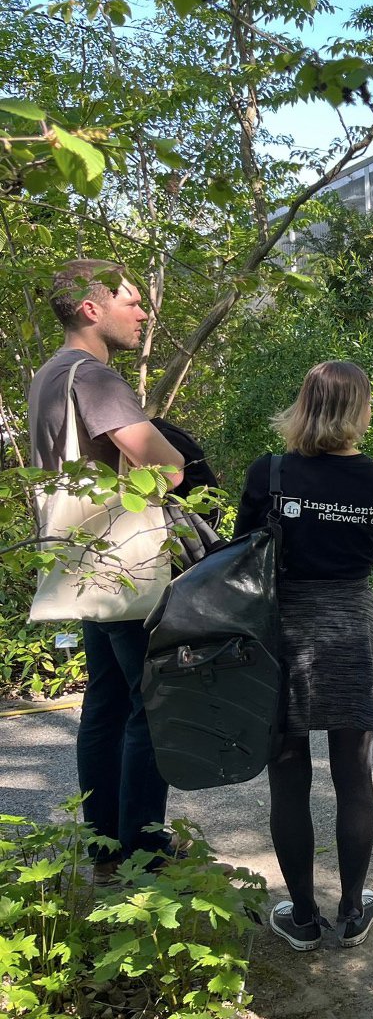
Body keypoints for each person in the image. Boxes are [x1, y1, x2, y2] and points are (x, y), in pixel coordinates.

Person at [234, 361, 373, 951]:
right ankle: (354, 910)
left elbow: (243, 554)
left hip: (281, 633)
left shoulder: (270, 472)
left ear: (304, 404)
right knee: (354, 774)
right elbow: (372, 552)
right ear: (360, 409)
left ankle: (303, 917)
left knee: (288, 778)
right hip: (352, 629)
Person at [27, 260, 186, 872]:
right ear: (92, 310)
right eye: (132, 302)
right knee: (151, 703)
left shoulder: (49, 374)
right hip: (122, 565)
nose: (143, 314)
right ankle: (144, 851)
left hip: (80, 559)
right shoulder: (93, 377)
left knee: (106, 701)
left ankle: (104, 847)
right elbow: (164, 469)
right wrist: (172, 454)